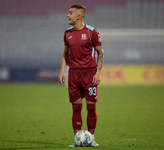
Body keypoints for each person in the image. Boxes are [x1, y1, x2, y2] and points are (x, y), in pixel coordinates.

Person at [58, 4, 104, 147]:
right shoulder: (67, 33)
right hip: (73, 74)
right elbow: (65, 53)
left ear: (78, 16)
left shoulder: (92, 32)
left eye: (70, 13)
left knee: (91, 107)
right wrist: (62, 71)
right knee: (76, 108)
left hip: (89, 73)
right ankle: (77, 138)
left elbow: (100, 52)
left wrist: (98, 72)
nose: (68, 15)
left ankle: (92, 137)